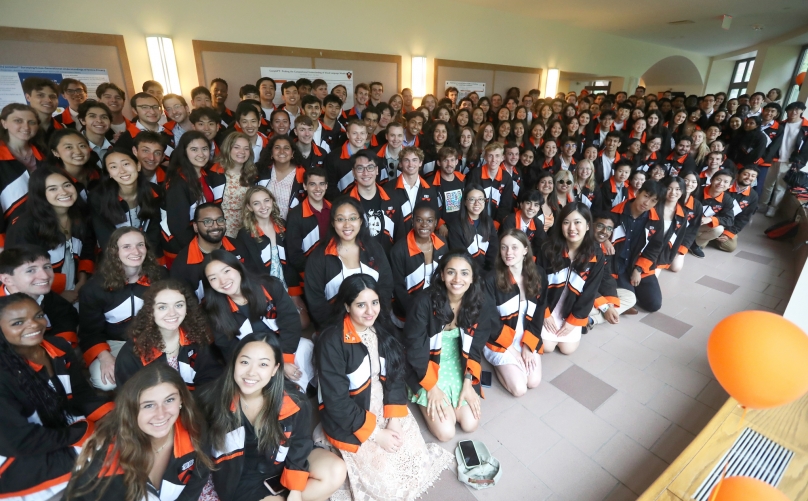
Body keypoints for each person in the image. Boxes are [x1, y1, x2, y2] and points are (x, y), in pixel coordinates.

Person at [315, 274, 453, 499]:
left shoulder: (381, 327)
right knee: (386, 484)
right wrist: (376, 434)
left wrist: (395, 420)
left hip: (381, 400)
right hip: (353, 410)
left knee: (414, 462)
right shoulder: (331, 342)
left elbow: (396, 375)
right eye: (361, 305)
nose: (370, 311)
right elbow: (336, 402)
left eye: (375, 302)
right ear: (347, 306)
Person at [200, 332, 345, 501]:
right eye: (245, 362)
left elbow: (299, 443)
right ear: (234, 363)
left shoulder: (294, 400)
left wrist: (295, 489)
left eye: (263, 364)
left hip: (283, 460)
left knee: (336, 470)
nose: (251, 372)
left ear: (275, 369)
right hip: (244, 476)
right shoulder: (211, 400)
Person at [0, 293, 111, 500]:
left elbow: (81, 395)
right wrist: (81, 434)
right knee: (109, 459)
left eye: (39, 315)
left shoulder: (58, 348)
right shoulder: (4, 372)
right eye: (18, 322)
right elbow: (19, 441)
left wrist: (114, 416)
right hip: (19, 453)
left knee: (124, 438)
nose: (34, 325)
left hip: (60, 431)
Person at [64, 364, 212, 501]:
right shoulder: (103, 454)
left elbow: (194, 487)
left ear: (182, 400)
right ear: (132, 409)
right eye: (148, 405)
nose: (161, 414)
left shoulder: (196, 432)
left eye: (169, 400)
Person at [403, 249, 493, 441]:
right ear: (442, 275)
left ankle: (456, 392)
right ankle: (422, 395)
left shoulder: (481, 304)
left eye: (464, 273)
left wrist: (468, 382)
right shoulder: (424, 302)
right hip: (426, 363)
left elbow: (475, 348)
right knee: (446, 432)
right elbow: (415, 349)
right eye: (451, 272)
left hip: (458, 361)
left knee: (470, 424)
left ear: (472, 278)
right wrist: (432, 388)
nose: (457, 279)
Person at [79, 227, 166, 390]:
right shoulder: (93, 288)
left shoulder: (161, 277)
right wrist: (105, 357)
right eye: (127, 246)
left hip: (154, 339)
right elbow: (89, 332)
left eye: (140, 245)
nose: (136, 251)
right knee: (105, 381)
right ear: (114, 251)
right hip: (114, 344)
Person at [6, 165, 94, 300]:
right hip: (40, 300)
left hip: (76, 292)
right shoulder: (25, 226)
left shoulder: (80, 216)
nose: (64, 192)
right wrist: (56, 298)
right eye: (53, 189)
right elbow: (20, 274)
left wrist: (82, 279)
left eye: (67, 185)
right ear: (40, 194)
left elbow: (88, 249)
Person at [114, 279, 221, 389]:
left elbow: (211, 378)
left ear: (187, 308)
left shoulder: (196, 338)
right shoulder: (132, 353)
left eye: (179, 305)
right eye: (162, 307)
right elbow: (129, 397)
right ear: (150, 311)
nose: (172, 313)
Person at [304, 196, 393, 329]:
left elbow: (386, 286)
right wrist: (339, 330)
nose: (347, 225)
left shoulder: (374, 249)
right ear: (333, 223)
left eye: (352, 218)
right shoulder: (319, 257)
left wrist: (374, 321)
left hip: (375, 324)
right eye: (340, 219)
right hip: (335, 330)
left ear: (361, 221)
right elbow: (316, 301)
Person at [484, 229, 547, 396]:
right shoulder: (490, 279)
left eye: (514, 247)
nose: (508, 252)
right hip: (500, 337)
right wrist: (512, 350)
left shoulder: (539, 274)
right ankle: (498, 365)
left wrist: (528, 346)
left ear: (525, 250)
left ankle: (513, 366)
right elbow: (490, 319)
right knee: (519, 389)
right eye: (504, 247)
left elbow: (539, 312)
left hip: (526, 333)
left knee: (534, 381)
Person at [537, 203, 605, 355]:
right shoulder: (548, 249)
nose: (571, 228)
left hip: (572, 309)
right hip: (548, 305)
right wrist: (545, 313)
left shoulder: (596, 255)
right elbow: (537, 284)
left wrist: (573, 320)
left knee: (567, 349)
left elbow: (591, 291)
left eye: (577, 222)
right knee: (546, 346)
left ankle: (585, 319)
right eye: (566, 222)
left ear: (588, 226)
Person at [236, 186, 307, 320]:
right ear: (249, 207)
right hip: (263, 290)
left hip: (286, 284)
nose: (263, 206)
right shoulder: (245, 234)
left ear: (272, 201)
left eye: (266, 200)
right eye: (256, 203)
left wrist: (295, 293)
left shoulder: (282, 226)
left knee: (303, 323)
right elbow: (250, 270)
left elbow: (292, 261)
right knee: (278, 326)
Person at [161, 131, 226, 262]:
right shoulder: (178, 183)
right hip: (181, 246)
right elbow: (178, 227)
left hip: (200, 238)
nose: (201, 154)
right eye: (194, 149)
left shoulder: (204, 174)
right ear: (184, 152)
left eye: (204, 149)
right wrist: (200, 249)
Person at [0, 245, 79, 346]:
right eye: (30, 270)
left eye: (47, 267)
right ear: (7, 280)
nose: (45, 276)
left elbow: (66, 318)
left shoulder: (47, 296)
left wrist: (60, 349)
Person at [90, 149, 162, 253]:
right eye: (113, 167)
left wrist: (144, 255)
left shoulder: (155, 192)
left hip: (149, 253)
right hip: (116, 256)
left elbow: (155, 231)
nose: (122, 171)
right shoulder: (98, 198)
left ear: (138, 166)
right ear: (109, 173)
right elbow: (105, 237)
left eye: (126, 164)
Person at [608, 181, 664, 313]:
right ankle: (623, 302)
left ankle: (623, 302)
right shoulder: (616, 213)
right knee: (626, 293)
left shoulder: (656, 221)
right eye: (646, 196)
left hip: (640, 266)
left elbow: (655, 248)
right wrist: (605, 241)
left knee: (654, 304)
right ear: (638, 192)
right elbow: (600, 234)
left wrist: (638, 269)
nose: (647, 203)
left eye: (653, 201)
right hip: (618, 265)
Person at [390, 202, 447, 325]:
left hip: (436, 312)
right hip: (408, 314)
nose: (424, 225)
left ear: (436, 223)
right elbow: (397, 287)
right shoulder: (399, 250)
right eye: (419, 220)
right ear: (412, 221)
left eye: (429, 220)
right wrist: (415, 313)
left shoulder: (442, 244)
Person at [170, 203, 242, 300]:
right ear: (195, 227)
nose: (215, 226)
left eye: (220, 220)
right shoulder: (182, 264)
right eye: (207, 221)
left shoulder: (238, 246)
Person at [0, 103, 45, 244]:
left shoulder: (44, 155)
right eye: (18, 121)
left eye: (31, 122)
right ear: (4, 123)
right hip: (9, 236)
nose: (26, 127)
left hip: (44, 232)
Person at [588, 213, 638, 324]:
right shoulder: (583, 246)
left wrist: (609, 304)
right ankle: (595, 316)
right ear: (590, 225)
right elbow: (583, 284)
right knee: (586, 307)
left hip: (595, 292)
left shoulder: (604, 247)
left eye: (609, 228)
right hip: (580, 293)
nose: (605, 231)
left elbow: (606, 277)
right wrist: (605, 307)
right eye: (600, 226)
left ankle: (591, 320)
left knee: (630, 297)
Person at [762, 101, 808, 216]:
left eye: (797, 109)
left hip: (789, 161)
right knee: (767, 184)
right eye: (791, 109)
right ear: (787, 111)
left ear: (802, 111)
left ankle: (773, 208)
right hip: (774, 158)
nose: (794, 112)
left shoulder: (805, 128)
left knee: (780, 187)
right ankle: (762, 204)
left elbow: (806, 149)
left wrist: (799, 163)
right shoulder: (781, 124)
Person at [286, 167, 330, 282]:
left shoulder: (335, 210)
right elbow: (294, 254)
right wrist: (315, 271)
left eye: (321, 184)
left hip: (334, 270)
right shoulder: (295, 215)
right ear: (305, 186)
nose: (318, 188)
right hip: (309, 275)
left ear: (326, 186)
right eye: (312, 184)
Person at [388, 146, 441, 239]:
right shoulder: (388, 188)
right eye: (406, 160)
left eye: (415, 160)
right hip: (397, 241)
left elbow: (434, 216)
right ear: (400, 164)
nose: (410, 164)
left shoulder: (430, 189)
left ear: (420, 163)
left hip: (422, 240)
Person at [447, 184, 499, 272]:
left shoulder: (488, 221)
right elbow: (461, 257)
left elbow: (493, 250)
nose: (477, 203)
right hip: (467, 272)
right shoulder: (456, 226)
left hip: (488, 272)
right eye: (472, 199)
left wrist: (490, 272)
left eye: (480, 199)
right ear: (464, 202)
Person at [217, 131, 256, 238]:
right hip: (221, 228)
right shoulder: (216, 173)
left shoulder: (252, 174)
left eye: (246, 148)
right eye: (237, 147)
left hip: (245, 228)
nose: (242, 152)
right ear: (228, 149)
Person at [690, 169, 737, 258]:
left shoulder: (727, 200)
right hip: (687, 222)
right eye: (718, 179)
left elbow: (730, 220)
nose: (721, 183)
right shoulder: (697, 191)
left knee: (718, 229)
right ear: (711, 180)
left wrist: (711, 219)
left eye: (726, 182)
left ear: (730, 186)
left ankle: (693, 244)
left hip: (701, 226)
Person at [466, 142, 514, 225]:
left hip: (497, 222)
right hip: (475, 219)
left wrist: (497, 222)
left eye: (497, 156)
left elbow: (506, 204)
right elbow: (469, 198)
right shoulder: (476, 174)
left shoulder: (507, 178)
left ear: (503, 157)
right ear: (485, 157)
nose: (493, 160)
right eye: (490, 155)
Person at [716, 165, 759, 252]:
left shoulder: (753, 196)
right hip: (714, 220)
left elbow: (744, 218)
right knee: (702, 241)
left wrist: (728, 233)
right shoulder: (725, 186)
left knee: (730, 247)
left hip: (729, 225)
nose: (749, 178)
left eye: (753, 176)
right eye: (746, 174)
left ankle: (716, 237)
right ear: (737, 175)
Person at [430, 146, 466, 235]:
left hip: (462, 226)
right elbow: (429, 207)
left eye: (452, 160)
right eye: (445, 160)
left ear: (457, 162)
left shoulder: (462, 180)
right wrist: (440, 224)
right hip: (441, 228)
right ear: (439, 162)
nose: (449, 164)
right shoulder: (430, 183)